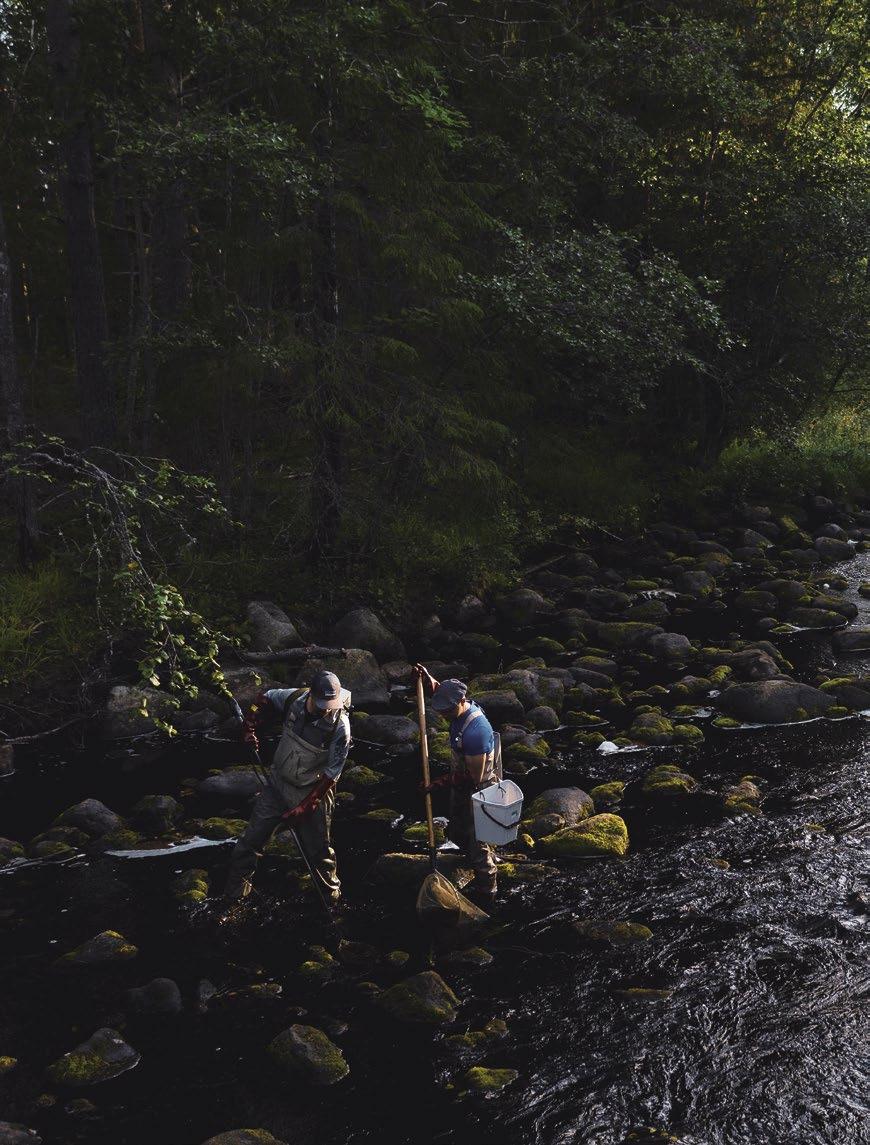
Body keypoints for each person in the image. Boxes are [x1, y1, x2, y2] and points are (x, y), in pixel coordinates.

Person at [222, 669, 352, 906]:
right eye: (322, 703)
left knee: (319, 855)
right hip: (277, 783)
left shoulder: (340, 727)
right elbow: (264, 698)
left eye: (330, 703)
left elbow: (332, 774)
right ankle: (234, 899)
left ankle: (330, 902)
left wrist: (306, 806)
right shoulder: (294, 698)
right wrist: (250, 725)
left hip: (314, 790)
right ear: (310, 693)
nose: (326, 708)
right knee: (249, 844)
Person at [412, 665, 500, 899]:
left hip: (479, 789)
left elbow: (475, 776)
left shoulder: (476, 732)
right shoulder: (454, 702)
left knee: (477, 843)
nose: (443, 715)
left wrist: (438, 783)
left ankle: (487, 888)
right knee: (457, 831)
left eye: (446, 711)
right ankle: (475, 859)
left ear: (461, 702)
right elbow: (441, 691)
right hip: (461, 785)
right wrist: (426, 678)